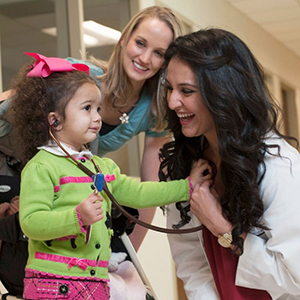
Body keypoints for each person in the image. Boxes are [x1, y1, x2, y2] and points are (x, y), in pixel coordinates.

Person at [11, 52, 204, 300]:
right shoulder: (41, 167)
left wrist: (187, 187)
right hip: (53, 284)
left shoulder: (102, 167)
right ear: (55, 120)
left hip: (93, 283)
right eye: (87, 108)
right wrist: (76, 217)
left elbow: (141, 192)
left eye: (98, 108)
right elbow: (31, 222)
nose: (98, 117)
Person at [158, 28, 300, 300]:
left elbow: (295, 276)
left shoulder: (279, 166)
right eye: (170, 89)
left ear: (222, 92)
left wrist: (222, 227)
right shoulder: (183, 164)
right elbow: (191, 261)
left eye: (186, 90)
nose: (173, 102)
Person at [65, 6, 186, 251]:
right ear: (123, 40)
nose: (145, 58)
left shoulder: (153, 111)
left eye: (158, 53)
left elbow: (151, 191)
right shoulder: (78, 75)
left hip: (69, 190)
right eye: (140, 43)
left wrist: (128, 256)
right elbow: (13, 101)